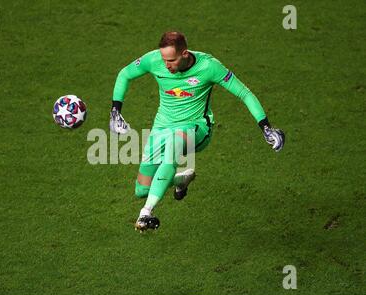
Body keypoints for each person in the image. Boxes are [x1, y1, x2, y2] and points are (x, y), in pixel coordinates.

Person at [109, 31, 285, 232]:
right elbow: (125, 73)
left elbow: (244, 93)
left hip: (196, 127)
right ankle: (180, 180)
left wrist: (266, 127)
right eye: (164, 59)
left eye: (171, 60)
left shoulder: (209, 66)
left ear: (184, 54)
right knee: (142, 188)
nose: (166, 65)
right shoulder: (154, 60)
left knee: (173, 149)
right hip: (161, 128)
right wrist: (115, 112)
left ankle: (146, 212)